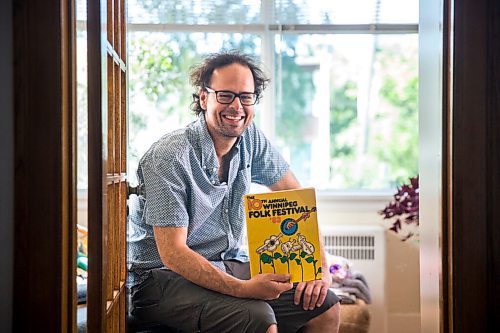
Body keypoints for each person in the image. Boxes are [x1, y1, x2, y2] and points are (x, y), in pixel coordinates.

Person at [127, 50, 341, 333]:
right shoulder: (169, 156)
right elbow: (173, 254)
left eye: (246, 96)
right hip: (160, 281)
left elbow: (293, 192)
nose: (236, 107)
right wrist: (245, 289)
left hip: (224, 263)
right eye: (225, 95)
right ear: (204, 98)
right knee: (258, 317)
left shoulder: (250, 138)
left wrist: (319, 269)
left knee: (325, 303)